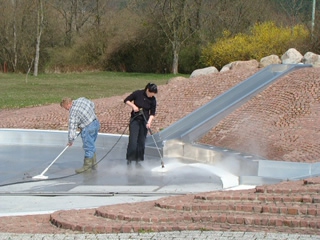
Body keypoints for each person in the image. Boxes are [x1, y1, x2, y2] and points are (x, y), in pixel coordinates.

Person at [60, 97, 100, 173]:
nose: (67, 110)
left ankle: (87, 167)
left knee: (88, 147)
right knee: (91, 144)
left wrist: (70, 140)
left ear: (68, 104)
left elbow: (72, 127)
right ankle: (94, 165)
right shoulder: (81, 100)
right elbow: (92, 104)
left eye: (66, 108)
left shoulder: (73, 112)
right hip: (95, 123)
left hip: (88, 128)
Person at [124, 83, 158, 164]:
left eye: (153, 94)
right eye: (151, 94)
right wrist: (133, 106)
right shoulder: (138, 93)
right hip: (135, 120)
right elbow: (126, 100)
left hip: (144, 121)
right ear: (147, 90)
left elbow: (152, 113)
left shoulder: (153, 99)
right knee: (133, 140)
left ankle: (138, 160)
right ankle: (130, 159)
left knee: (141, 141)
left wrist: (149, 122)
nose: (151, 96)